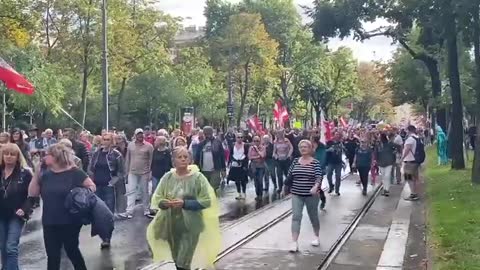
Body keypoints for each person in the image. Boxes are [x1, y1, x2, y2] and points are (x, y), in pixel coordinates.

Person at [146, 146, 221, 270]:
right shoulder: (167, 177)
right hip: (171, 225)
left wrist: (185, 203)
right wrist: (165, 203)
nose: (183, 160)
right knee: (177, 258)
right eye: (179, 157)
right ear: (173, 160)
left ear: (190, 159)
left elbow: (206, 201)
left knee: (183, 260)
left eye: (185, 157)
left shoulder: (198, 178)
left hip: (192, 225)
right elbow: (157, 197)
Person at [28, 144, 96, 270]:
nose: (43, 157)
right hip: (50, 221)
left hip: (70, 220)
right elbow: (33, 193)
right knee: (52, 255)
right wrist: (37, 173)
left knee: (72, 250)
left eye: (46, 154)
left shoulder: (75, 172)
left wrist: (80, 195)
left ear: (55, 157)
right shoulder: (45, 174)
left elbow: (91, 187)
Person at [284, 140, 323, 252]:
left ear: (310, 149)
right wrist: (285, 188)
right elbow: (289, 175)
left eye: (305, 147)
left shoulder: (315, 162)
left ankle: (316, 236)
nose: (303, 149)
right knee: (296, 217)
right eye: (301, 147)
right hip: (296, 193)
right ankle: (294, 242)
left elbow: (319, 176)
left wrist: (316, 186)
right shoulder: (296, 161)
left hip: (311, 195)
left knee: (313, 216)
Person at [88, 132, 125, 247]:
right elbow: (90, 168)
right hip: (97, 186)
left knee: (108, 214)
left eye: (108, 139)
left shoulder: (116, 155)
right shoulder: (96, 154)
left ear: (112, 141)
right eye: (104, 139)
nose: (105, 141)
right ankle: (102, 236)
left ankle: (107, 238)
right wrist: (91, 182)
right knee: (97, 213)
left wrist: (112, 183)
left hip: (109, 187)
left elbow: (120, 172)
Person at [0, 143, 33, 270]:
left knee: (11, 247)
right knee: (3, 247)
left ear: (17, 157)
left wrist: (24, 209)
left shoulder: (25, 174)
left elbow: (32, 196)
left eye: (12, 154)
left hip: (17, 214)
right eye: (6, 154)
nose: (9, 157)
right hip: (1, 214)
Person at [120, 128, 154, 218]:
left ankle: (146, 210)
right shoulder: (130, 145)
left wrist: (150, 172)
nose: (140, 136)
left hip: (144, 172)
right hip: (132, 171)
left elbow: (151, 160)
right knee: (131, 191)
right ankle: (129, 211)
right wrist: (126, 172)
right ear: (135, 135)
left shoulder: (149, 146)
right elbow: (128, 158)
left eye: (141, 134)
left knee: (145, 191)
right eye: (138, 134)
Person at [194, 126, 226, 193]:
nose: (207, 135)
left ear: (211, 133)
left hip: (215, 170)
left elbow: (222, 157)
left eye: (209, 134)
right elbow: (197, 157)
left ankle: (213, 202)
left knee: (212, 188)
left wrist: (223, 169)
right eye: (205, 134)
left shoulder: (217, 143)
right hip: (203, 170)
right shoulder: (201, 144)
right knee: (205, 189)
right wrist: (195, 169)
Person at [402, 125, 420, 201]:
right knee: (415, 178)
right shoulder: (417, 138)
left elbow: (407, 149)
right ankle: (415, 193)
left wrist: (402, 158)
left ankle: (413, 194)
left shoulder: (410, 139)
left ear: (408, 130)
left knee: (408, 178)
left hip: (409, 161)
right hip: (416, 160)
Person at [273, 130, 293, 194]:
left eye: (281, 133)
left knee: (287, 174)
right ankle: (280, 187)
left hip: (286, 160)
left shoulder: (286, 140)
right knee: (279, 175)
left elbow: (291, 148)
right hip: (279, 161)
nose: (280, 134)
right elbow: (274, 152)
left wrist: (289, 154)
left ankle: (289, 187)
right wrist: (276, 156)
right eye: (278, 133)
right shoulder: (275, 142)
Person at [326, 132, 344, 196]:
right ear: (334, 135)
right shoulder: (329, 142)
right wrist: (329, 150)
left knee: (338, 176)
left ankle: (337, 190)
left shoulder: (341, 143)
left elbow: (342, 151)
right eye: (336, 134)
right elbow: (325, 150)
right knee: (328, 175)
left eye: (338, 134)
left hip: (338, 163)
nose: (337, 136)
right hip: (331, 162)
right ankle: (331, 186)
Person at [248, 136, 266, 201]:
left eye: (257, 141)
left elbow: (263, 156)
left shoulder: (263, 147)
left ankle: (260, 195)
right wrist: (257, 157)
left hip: (261, 166)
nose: (256, 142)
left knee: (260, 180)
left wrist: (257, 150)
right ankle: (257, 194)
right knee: (256, 181)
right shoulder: (251, 148)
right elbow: (250, 157)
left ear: (260, 141)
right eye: (254, 141)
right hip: (254, 166)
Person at [312, 136, 327, 210]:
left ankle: (322, 200)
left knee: (317, 187)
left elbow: (322, 161)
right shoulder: (311, 149)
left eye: (313, 142)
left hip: (319, 171)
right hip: (311, 171)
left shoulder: (322, 150)